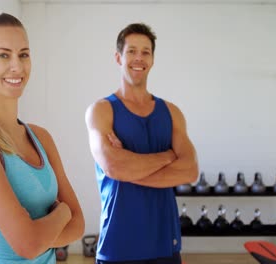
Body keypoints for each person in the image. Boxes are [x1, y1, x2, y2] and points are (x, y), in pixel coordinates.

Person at [0, 13, 84, 264]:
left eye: (23, 54)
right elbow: (28, 244)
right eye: (3, 55)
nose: (17, 66)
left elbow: (78, 226)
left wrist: (37, 234)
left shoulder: (41, 137)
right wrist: (62, 213)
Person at [85, 23, 199, 264]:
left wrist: (128, 166)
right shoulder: (101, 111)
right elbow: (113, 167)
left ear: (153, 59)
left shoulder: (171, 112)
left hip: (165, 244)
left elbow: (190, 170)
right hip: (118, 245)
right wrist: (168, 157)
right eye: (131, 51)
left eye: (145, 52)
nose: (139, 58)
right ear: (118, 57)